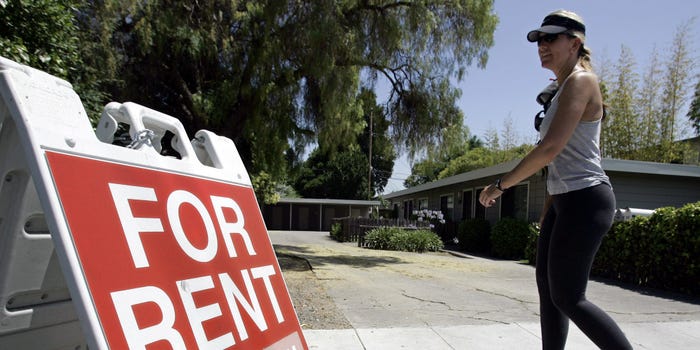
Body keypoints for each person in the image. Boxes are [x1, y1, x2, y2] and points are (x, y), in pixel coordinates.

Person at [478, 10, 633, 350]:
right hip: (565, 201)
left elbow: (549, 148)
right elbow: (559, 161)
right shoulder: (560, 89)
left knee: (568, 295)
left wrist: (501, 186)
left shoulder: (582, 81)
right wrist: (550, 206)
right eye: (539, 40)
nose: (542, 45)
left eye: (551, 38)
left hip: (587, 199)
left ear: (575, 43)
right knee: (549, 293)